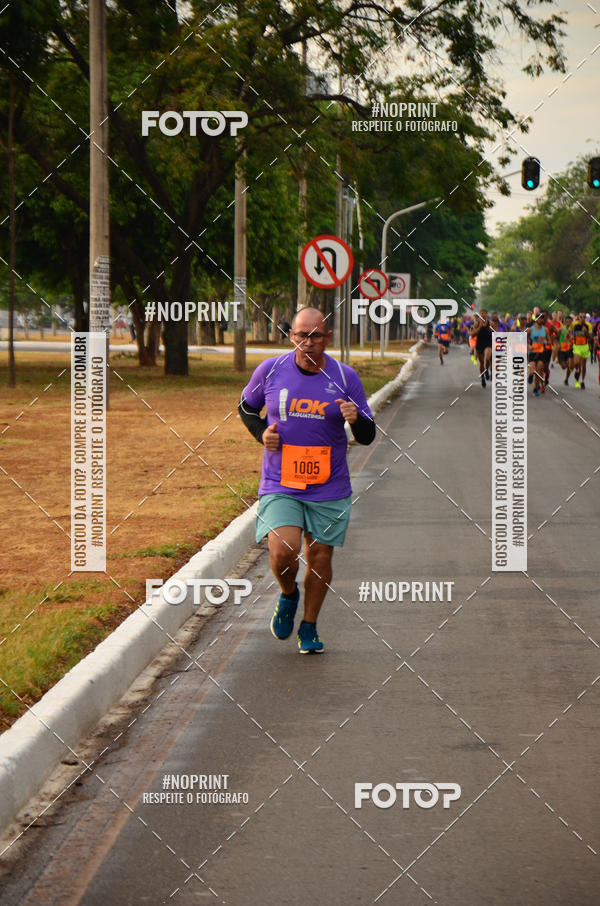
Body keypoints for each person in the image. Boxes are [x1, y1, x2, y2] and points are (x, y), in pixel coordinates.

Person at [238, 307, 376, 653]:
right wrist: (261, 434)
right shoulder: (271, 370)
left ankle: (310, 625)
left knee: (320, 558)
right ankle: (288, 594)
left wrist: (355, 419)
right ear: (292, 336)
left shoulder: (345, 377)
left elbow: (368, 434)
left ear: (328, 338)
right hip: (281, 481)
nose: (308, 342)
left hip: (328, 485)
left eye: (315, 336)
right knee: (283, 550)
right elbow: (246, 407)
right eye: (301, 335)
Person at [571, 311, 592, 389]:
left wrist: (586, 332)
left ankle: (582, 381)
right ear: (578, 317)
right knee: (576, 363)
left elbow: (590, 338)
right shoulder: (574, 324)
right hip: (577, 346)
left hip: (584, 347)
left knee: (583, 365)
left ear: (585, 318)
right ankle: (577, 370)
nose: (582, 318)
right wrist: (571, 338)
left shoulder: (588, 325)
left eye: (584, 317)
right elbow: (569, 331)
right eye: (581, 317)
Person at [471, 310, 493, 387]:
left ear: (487, 314)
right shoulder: (477, 323)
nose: (483, 315)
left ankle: (486, 370)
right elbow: (473, 334)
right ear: (480, 315)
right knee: (481, 363)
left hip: (488, 343)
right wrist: (480, 327)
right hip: (480, 344)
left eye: (484, 313)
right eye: (481, 314)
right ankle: (483, 378)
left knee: (487, 357)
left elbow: (496, 332)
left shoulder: (491, 323)